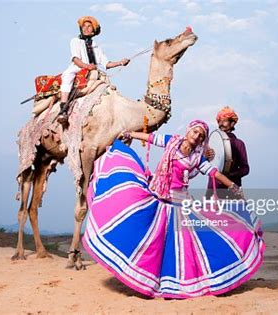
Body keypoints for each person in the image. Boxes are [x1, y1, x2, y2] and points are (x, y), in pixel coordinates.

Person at [81, 120, 265, 298]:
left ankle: (172, 282)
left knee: (178, 247)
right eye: (195, 132)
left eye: (201, 136)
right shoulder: (172, 141)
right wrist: (130, 134)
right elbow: (151, 138)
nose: (196, 137)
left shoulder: (196, 158)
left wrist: (233, 186)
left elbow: (213, 172)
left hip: (179, 203)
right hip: (159, 195)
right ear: (188, 131)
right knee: (149, 238)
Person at [57, 16, 130, 125]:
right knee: (68, 75)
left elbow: (106, 63)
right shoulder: (75, 41)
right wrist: (86, 66)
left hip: (93, 70)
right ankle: (63, 108)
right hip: (78, 68)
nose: (86, 28)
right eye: (84, 26)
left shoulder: (96, 47)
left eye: (89, 26)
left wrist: (120, 62)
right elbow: (75, 58)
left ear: (93, 30)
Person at [206, 106, 250, 199]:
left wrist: (230, 174)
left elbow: (245, 169)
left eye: (224, 121)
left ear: (232, 123)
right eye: (219, 121)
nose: (221, 124)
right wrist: (205, 157)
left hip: (232, 191)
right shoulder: (212, 142)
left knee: (233, 213)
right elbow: (204, 166)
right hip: (213, 189)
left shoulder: (239, 144)